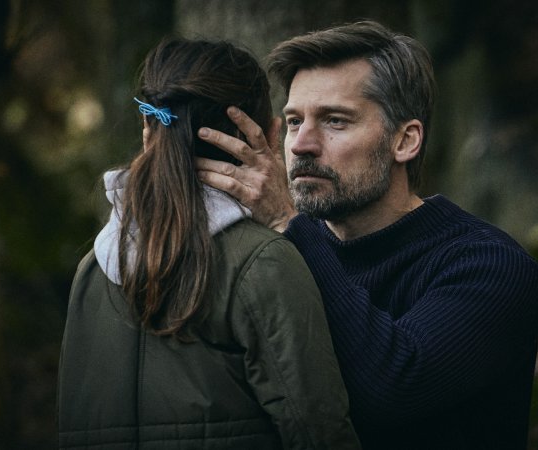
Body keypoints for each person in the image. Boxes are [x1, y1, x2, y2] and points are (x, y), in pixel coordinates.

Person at [195, 21, 538, 449]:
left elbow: (393, 390)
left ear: (405, 141)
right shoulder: (275, 250)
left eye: (335, 121)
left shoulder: (492, 265)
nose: (301, 144)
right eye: (294, 121)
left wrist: (287, 222)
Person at [56, 37, 360, 450]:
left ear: (147, 129)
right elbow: (320, 432)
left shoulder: (91, 269)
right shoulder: (263, 263)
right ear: (270, 135)